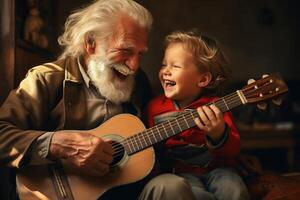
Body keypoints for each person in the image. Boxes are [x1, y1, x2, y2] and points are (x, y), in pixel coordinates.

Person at [0, 0, 153, 199]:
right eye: (125, 50)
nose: (134, 66)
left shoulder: (140, 82)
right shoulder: (46, 78)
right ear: (91, 44)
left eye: (140, 54)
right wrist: (58, 144)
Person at [139, 31, 250, 200]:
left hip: (220, 170)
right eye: (163, 65)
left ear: (203, 80)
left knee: (233, 188)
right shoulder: (153, 107)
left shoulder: (216, 106)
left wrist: (218, 133)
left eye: (175, 66)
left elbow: (233, 150)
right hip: (181, 174)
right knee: (195, 195)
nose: (166, 71)